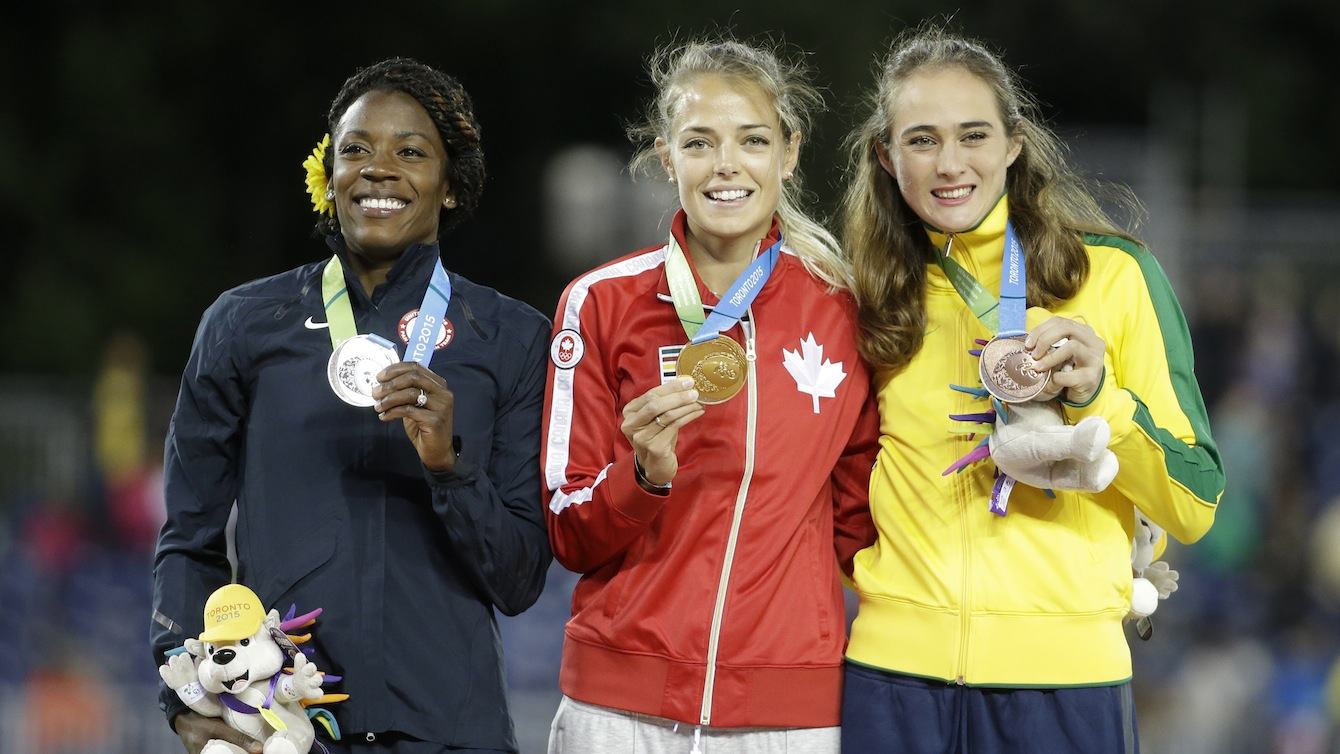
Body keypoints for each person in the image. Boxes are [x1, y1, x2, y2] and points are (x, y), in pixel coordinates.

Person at [838, 26, 1226, 753]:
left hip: (1065, 684)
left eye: (973, 135)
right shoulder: (870, 298)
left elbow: (1196, 502)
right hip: (893, 680)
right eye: (921, 140)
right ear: (887, 157)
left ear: (1014, 144)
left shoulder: (1114, 276)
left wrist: (1099, 399)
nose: (949, 163)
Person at [150, 57, 552, 754]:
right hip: (287, 728)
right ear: (328, 175)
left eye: (411, 152)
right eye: (356, 149)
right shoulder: (243, 324)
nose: (378, 169)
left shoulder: (511, 337)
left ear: (452, 185)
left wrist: (449, 466)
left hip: (451, 733)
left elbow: (518, 580)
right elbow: (190, 536)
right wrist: (185, 694)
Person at [540, 38, 880, 753]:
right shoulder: (600, 303)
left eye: (752, 140)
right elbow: (569, 529)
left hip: (788, 713)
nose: (726, 164)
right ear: (667, 157)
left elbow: (864, 525)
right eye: (699, 142)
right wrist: (641, 477)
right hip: (619, 710)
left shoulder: (844, 312)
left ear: (789, 153)